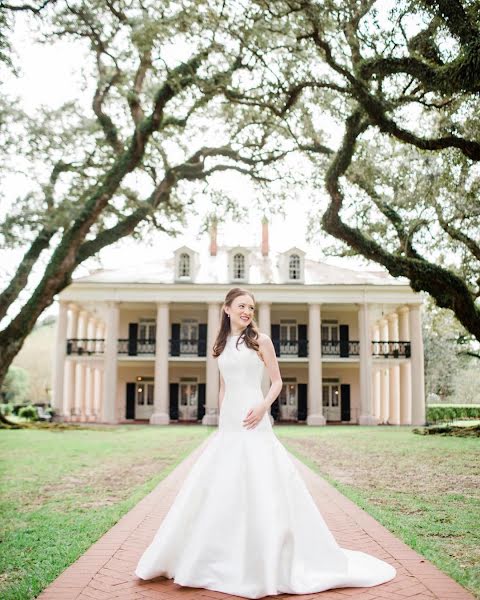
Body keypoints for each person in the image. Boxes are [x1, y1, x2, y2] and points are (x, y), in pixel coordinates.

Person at [135, 287, 396, 598]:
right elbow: (222, 385)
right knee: (220, 485)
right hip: (230, 424)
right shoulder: (220, 344)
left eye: (251, 307)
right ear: (227, 308)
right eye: (242, 306)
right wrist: (221, 419)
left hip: (254, 418)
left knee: (261, 481)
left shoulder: (261, 341)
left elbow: (277, 382)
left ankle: (265, 558)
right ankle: (214, 554)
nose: (247, 311)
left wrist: (262, 407)